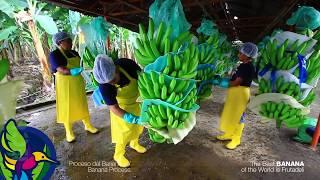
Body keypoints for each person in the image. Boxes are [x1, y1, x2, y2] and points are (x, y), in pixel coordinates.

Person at [93, 55, 146, 168]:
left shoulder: (127, 65)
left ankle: (134, 143)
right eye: (109, 83)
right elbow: (114, 108)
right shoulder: (105, 85)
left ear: (116, 69)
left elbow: (142, 77)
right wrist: (131, 118)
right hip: (122, 107)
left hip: (137, 101)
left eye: (113, 80)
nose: (111, 84)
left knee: (137, 128)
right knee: (123, 133)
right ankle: (118, 155)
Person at [49, 32, 98, 143]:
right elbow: (60, 69)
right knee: (67, 107)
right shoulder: (55, 54)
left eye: (70, 40)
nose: (71, 42)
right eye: (68, 41)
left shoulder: (74, 52)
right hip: (64, 84)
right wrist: (71, 71)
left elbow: (82, 64)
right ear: (60, 42)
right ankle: (69, 131)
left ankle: (88, 125)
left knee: (82, 103)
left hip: (77, 83)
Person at [216, 42, 258, 150]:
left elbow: (237, 82)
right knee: (231, 114)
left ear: (247, 55)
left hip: (241, 92)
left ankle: (236, 139)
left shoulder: (247, 67)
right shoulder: (243, 65)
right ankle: (229, 134)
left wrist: (222, 83)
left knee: (239, 117)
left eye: (241, 53)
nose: (239, 54)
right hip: (236, 92)